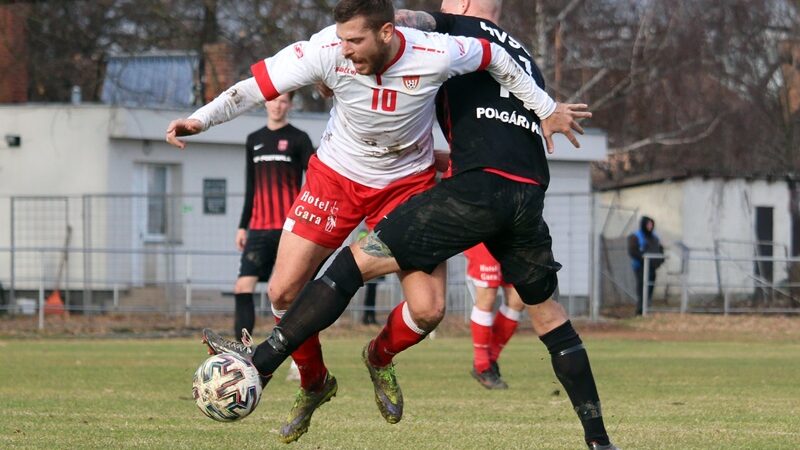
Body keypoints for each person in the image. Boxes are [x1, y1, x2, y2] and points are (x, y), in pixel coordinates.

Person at [199, 1, 616, 449]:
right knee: (549, 315)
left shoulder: (446, 35)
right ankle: (599, 440)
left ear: (466, 5)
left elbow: (396, 21)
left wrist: (337, 52)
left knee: (359, 271)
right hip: (523, 191)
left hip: (459, 191)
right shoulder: (523, 56)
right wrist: (545, 110)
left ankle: (272, 362)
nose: (435, 6)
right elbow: (498, 115)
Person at [233, 92, 314, 345]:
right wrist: (242, 226)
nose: (277, 106)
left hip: (289, 230)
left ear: (289, 105)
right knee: (242, 287)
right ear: (265, 103)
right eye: (273, 100)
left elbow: (314, 181)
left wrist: (308, 218)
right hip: (257, 229)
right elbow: (250, 187)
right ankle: (243, 353)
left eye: (283, 101)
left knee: (292, 293)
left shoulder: (299, 139)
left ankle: (297, 356)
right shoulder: (254, 140)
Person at [464, 243, 525, 390]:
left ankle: (490, 357)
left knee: (518, 299)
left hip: (512, 234)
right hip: (484, 232)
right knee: (487, 296)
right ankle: (482, 365)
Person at [628, 215, 664, 315]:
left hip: (652, 267)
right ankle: (640, 310)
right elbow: (633, 251)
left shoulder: (655, 237)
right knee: (642, 288)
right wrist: (644, 260)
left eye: (651, 224)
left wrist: (659, 261)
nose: (650, 226)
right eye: (648, 224)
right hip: (640, 267)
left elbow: (660, 250)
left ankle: (647, 307)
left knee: (650, 288)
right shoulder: (636, 236)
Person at [357, 228, 381, 325]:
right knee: (370, 295)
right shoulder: (365, 231)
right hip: (368, 267)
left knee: (371, 294)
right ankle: (367, 316)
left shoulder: (372, 230)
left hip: (373, 268)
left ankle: (369, 316)